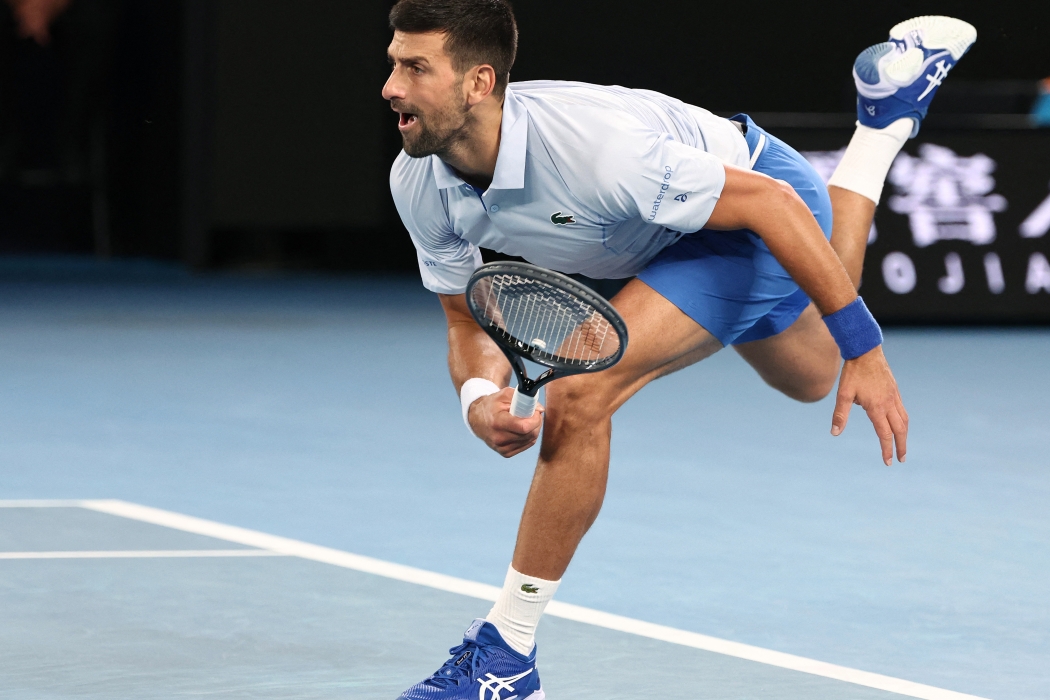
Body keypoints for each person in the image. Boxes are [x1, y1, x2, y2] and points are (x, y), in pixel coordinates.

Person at [383, 3, 974, 698]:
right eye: (394, 63)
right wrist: (478, 400)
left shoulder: (590, 152)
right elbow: (463, 319)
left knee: (580, 392)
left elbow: (775, 207)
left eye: (415, 67)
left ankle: (507, 655)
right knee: (809, 375)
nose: (391, 86)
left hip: (755, 206)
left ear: (479, 82)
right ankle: (882, 125)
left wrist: (867, 349)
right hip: (662, 235)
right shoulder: (419, 182)